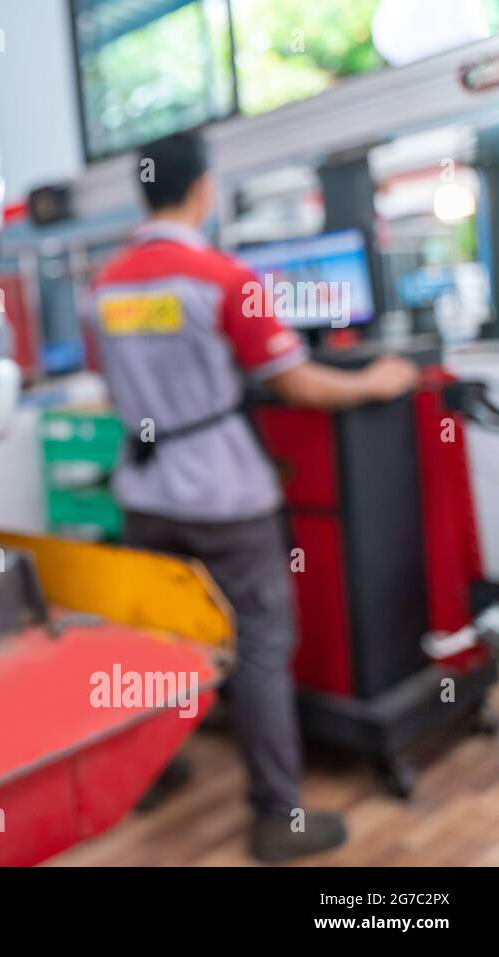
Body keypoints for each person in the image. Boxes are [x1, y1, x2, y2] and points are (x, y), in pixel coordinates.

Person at [84, 130, 420, 862]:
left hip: (145, 487)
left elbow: (111, 386)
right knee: (262, 644)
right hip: (227, 495)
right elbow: (297, 382)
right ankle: (277, 814)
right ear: (203, 188)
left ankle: (152, 767)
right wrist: (377, 381)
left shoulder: (101, 289)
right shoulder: (223, 278)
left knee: (163, 638)